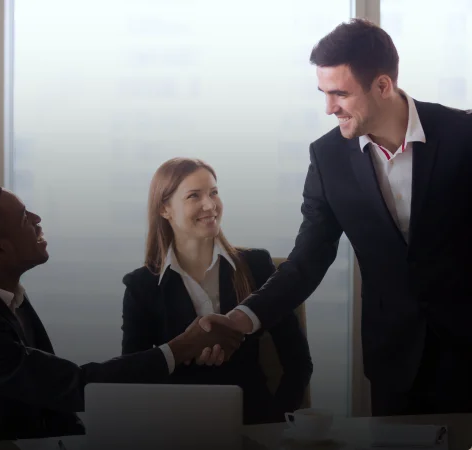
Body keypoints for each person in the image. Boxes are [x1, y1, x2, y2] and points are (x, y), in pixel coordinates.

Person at [200, 18, 472, 416]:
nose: (329, 108)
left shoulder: (463, 135)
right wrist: (244, 318)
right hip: (395, 363)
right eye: (323, 93)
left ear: (383, 85)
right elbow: (308, 259)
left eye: (340, 94)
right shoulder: (327, 158)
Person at [0, 185, 243, 443]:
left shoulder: (3, 293)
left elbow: (52, 399)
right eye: (25, 218)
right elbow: (75, 388)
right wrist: (182, 347)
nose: (38, 219)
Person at [121, 157, 312, 424]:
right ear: (165, 209)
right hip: (177, 427)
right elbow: (134, 375)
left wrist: (276, 421)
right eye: (193, 196)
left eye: (213, 193)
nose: (210, 205)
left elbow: (298, 362)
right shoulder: (141, 286)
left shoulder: (256, 266)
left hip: (254, 422)